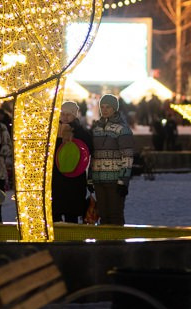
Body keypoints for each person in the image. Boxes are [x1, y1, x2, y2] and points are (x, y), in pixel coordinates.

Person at [90, 94, 134, 226]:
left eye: (108, 107)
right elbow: (93, 155)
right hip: (99, 179)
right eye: (102, 107)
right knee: (103, 216)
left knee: (115, 215)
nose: (104, 109)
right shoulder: (96, 129)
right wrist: (90, 178)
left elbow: (127, 156)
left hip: (115, 180)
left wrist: (123, 181)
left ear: (115, 108)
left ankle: (118, 245)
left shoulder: (123, 129)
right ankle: (104, 245)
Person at [52, 101, 94, 223]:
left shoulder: (81, 132)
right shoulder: (53, 130)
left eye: (68, 114)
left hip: (74, 177)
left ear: (74, 115)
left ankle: (72, 240)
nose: (64, 117)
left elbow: (88, 149)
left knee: (71, 215)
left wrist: (73, 135)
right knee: (55, 214)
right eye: (62, 114)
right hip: (56, 177)